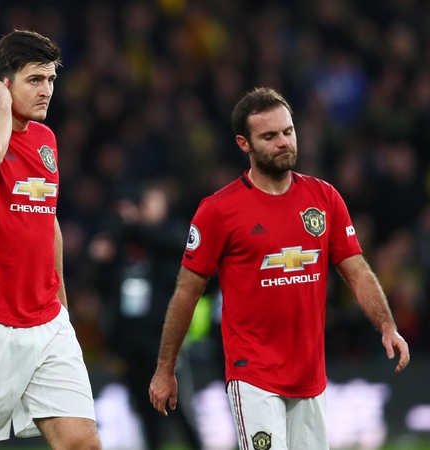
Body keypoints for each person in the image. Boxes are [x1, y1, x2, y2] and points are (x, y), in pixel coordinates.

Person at [149, 87, 410, 450]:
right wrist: (165, 369)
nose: (284, 142)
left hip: (310, 375)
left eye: (288, 131)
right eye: (269, 136)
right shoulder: (218, 211)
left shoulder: (324, 198)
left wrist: (387, 326)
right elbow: (186, 293)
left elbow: (357, 272)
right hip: (252, 374)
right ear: (244, 143)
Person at [0, 30, 101, 449]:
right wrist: (3, 108)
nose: (47, 91)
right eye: (34, 80)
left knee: (82, 443)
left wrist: (61, 303)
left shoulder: (46, 140)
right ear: (4, 83)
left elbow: (48, 220)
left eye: (50, 80)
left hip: (46, 320)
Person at [91, 183, 201, 450]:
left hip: (161, 336)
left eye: (153, 203)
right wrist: (101, 261)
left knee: (178, 403)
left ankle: (196, 445)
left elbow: (171, 244)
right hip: (130, 337)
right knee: (142, 404)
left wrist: (132, 225)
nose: (147, 208)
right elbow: (104, 287)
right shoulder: (124, 243)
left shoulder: (171, 235)